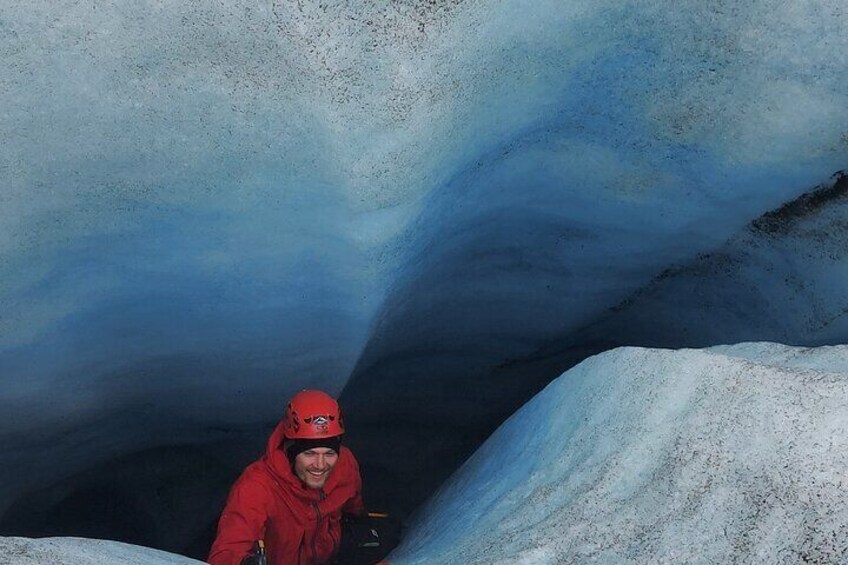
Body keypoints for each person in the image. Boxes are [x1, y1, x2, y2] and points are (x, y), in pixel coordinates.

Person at [208, 389, 366, 565]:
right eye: (310, 453)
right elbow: (225, 552)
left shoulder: (346, 465)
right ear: (291, 451)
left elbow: (354, 510)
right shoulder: (256, 487)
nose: (320, 465)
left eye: (329, 453)